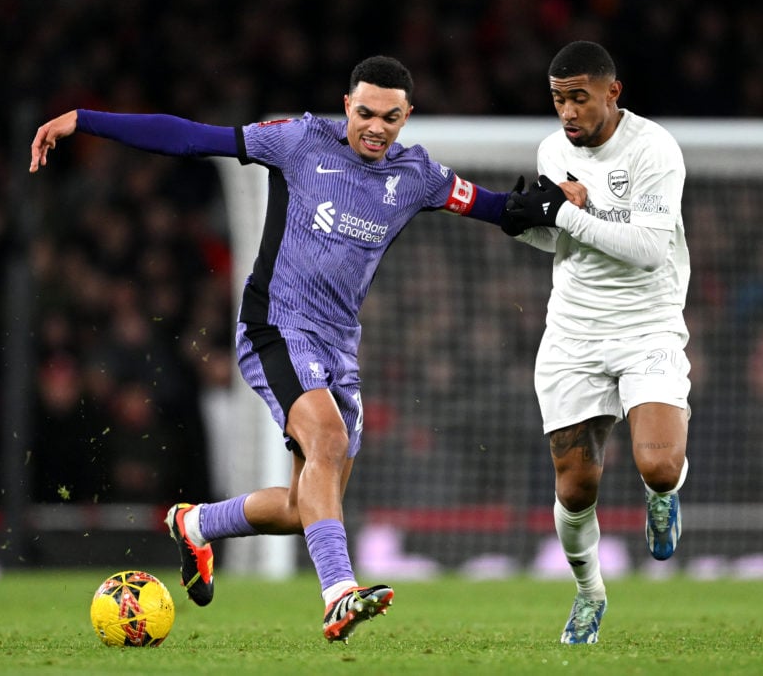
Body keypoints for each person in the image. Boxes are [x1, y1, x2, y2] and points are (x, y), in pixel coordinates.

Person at [29, 56, 516, 643]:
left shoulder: (419, 176)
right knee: (328, 441)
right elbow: (189, 138)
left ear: (406, 116)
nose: (375, 127)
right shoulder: (298, 141)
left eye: (390, 117)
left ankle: (197, 523)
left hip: (338, 344)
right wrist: (85, 119)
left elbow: (496, 208)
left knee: (302, 504)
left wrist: (557, 205)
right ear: (347, 105)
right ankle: (339, 594)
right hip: (277, 326)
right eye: (364, 112)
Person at [502, 41, 691, 644]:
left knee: (658, 466)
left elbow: (648, 250)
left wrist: (563, 214)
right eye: (558, 99)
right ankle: (589, 595)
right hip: (574, 332)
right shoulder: (553, 149)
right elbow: (562, 240)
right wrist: (525, 225)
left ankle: (664, 498)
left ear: (613, 93)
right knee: (575, 486)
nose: (567, 113)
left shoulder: (653, 148)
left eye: (579, 98)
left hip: (648, 326)